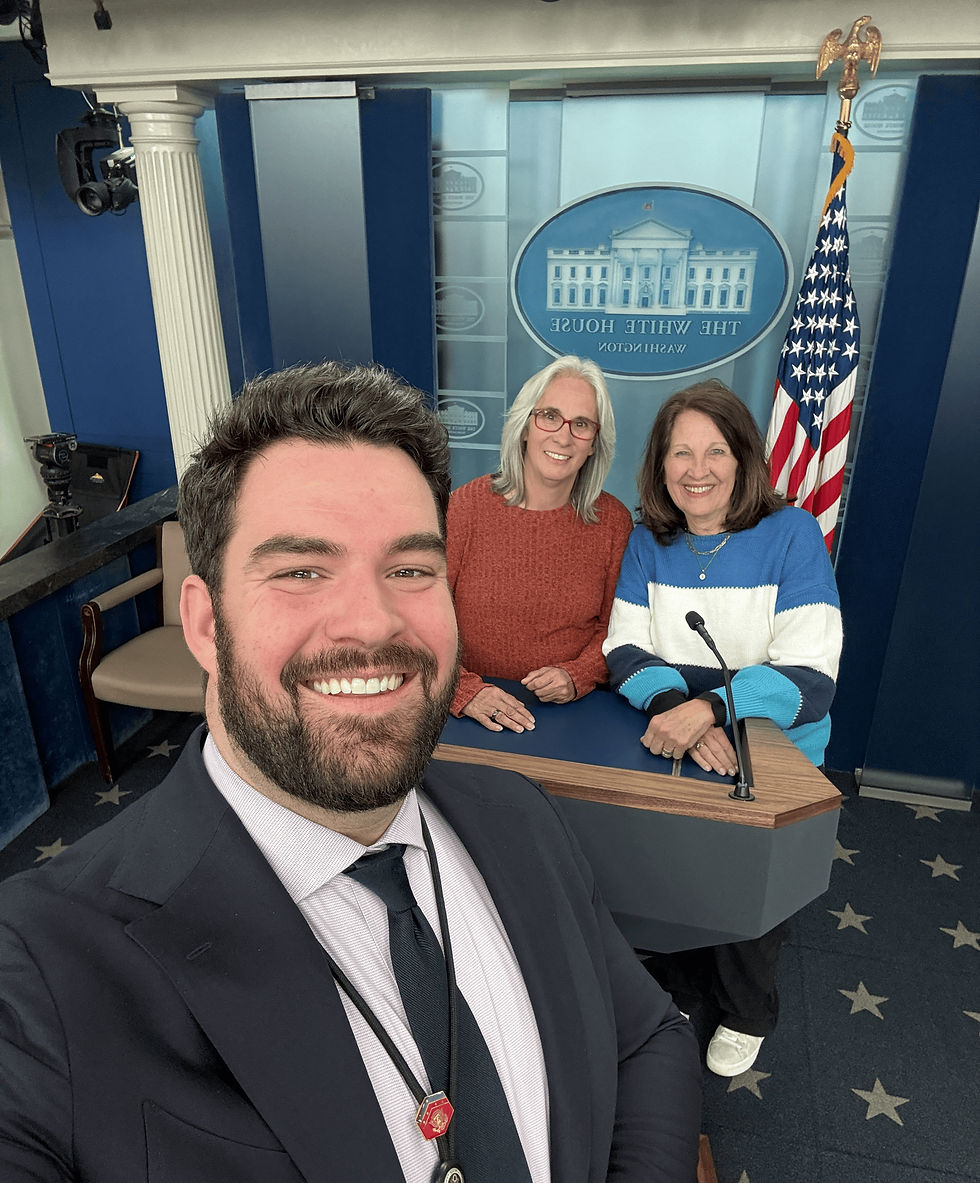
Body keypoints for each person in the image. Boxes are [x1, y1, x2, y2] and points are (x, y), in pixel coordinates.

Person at [0, 361, 702, 1183]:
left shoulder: (522, 817)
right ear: (203, 621)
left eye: (410, 569)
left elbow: (650, 1034)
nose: (372, 620)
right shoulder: (40, 967)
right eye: (301, 569)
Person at [602, 378, 842, 1078]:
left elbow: (811, 673)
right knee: (667, 869)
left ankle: (746, 1007)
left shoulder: (791, 533)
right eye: (680, 452)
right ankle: (676, 981)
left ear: (743, 460)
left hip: (775, 750)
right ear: (660, 464)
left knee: (747, 882)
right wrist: (677, 707)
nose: (696, 469)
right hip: (675, 734)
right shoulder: (648, 542)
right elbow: (624, 647)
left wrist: (710, 710)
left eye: (714, 451)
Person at [447, 356, 633, 733]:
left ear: (595, 443)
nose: (563, 437)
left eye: (581, 424)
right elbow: (422, 617)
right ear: (525, 426)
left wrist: (578, 675)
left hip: (570, 717)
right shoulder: (466, 505)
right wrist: (462, 690)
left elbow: (619, 628)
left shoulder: (613, 521)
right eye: (549, 416)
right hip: (468, 713)